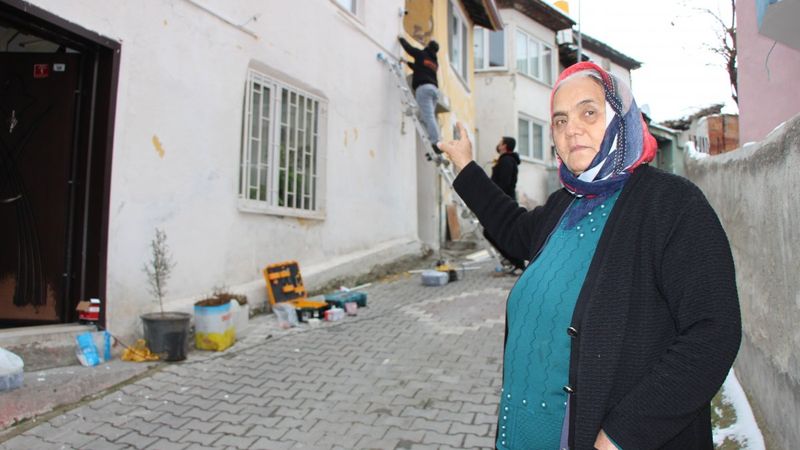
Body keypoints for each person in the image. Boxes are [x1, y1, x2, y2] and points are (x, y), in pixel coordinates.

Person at [437, 61, 741, 450]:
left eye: (589, 112)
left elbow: (714, 331)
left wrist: (621, 435)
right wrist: (464, 165)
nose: (571, 129)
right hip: (529, 431)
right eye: (560, 121)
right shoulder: (563, 206)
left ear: (621, 117)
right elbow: (512, 229)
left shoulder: (671, 205)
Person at [485, 137, 525, 272]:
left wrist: (493, 199)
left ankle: (518, 263)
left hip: (502, 204)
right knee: (493, 232)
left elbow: (503, 184)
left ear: (505, 146)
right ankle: (515, 261)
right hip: (503, 202)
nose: (498, 144)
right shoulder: (505, 160)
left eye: (500, 142)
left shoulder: (507, 161)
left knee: (493, 232)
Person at [398, 35, 441, 154]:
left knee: (428, 117)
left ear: (428, 46)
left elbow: (409, 49)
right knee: (424, 118)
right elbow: (418, 68)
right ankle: (432, 142)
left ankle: (436, 142)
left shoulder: (422, 54)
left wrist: (401, 38)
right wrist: (407, 62)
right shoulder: (434, 62)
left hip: (424, 89)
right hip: (434, 90)